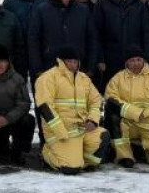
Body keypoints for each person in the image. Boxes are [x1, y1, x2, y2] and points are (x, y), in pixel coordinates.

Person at [34, 45, 109, 175]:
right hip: (60, 133)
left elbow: (96, 100)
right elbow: (45, 107)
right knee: (70, 169)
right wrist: (61, 132)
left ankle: (79, 160)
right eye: (69, 61)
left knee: (104, 136)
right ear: (60, 61)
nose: (73, 64)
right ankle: (47, 153)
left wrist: (92, 120)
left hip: (82, 129)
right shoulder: (47, 78)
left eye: (75, 61)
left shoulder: (84, 79)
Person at [103, 46, 149, 167]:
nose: (136, 63)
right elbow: (110, 100)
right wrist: (135, 113)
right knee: (112, 117)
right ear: (126, 62)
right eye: (132, 60)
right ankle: (125, 156)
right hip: (127, 124)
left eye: (138, 60)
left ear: (144, 60)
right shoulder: (117, 79)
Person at [28, 0, 98, 78]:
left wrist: (91, 68)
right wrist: (37, 69)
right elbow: (33, 41)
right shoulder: (41, 10)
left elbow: (92, 40)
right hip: (50, 69)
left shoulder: (83, 10)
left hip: (78, 70)